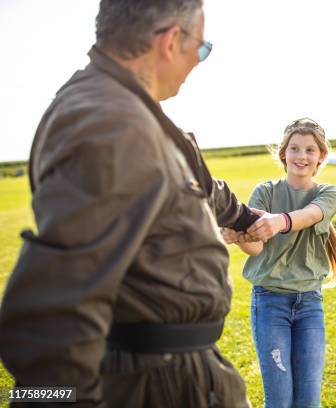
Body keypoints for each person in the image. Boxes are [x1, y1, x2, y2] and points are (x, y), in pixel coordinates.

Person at [0, 1, 256, 406]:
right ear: (172, 41)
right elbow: (51, 320)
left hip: (179, 376)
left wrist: (244, 217)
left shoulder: (129, 110)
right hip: (155, 386)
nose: (199, 62)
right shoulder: (107, 122)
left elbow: (195, 185)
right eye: (202, 48)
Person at [222, 118, 336, 408]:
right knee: (279, 400)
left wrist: (279, 221)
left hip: (309, 304)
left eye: (310, 150)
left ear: (321, 157)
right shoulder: (265, 192)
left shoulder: (327, 194)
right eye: (294, 148)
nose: (302, 156)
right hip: (269, 302)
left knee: (308, 401)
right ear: (283, 154)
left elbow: (311, 215)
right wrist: (238, 236)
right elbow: (255, 248)